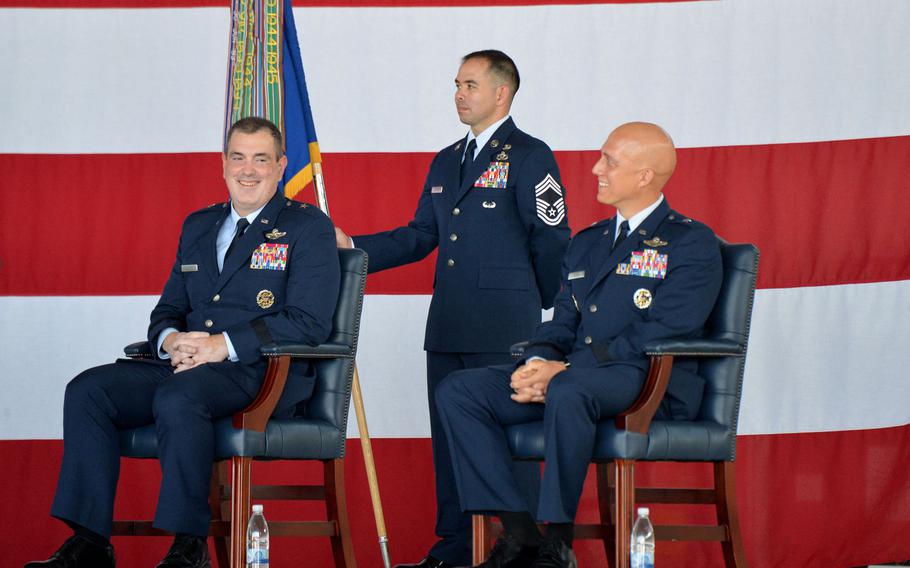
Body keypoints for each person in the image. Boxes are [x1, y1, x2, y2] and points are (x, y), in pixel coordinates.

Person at [26, 117, 341, 568]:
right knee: (88, 391)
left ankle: (188, 545)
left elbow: (308, 322)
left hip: (259, 370)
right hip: (185, 365)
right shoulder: (199, 225)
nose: (247, 170)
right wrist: (172, 341)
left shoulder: (306, 227)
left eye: (260, 159)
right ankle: (91, 542)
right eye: (238, 157)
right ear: (223, 163)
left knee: (179, 396)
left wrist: (220, 345)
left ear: (281, 166)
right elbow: (167, 311)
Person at [436, 122, 724, 568]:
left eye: (609, 160)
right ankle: (519, 533)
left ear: (645, 175)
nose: (595, 169)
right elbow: (564, 324)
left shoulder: (690, 242)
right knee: (461, 390)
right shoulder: (587, 244)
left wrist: (565, 373)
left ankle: (558, 540)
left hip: (645, 380)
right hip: (574, 378)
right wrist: (537, 361)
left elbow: (665, 329)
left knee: (570, 391)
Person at [335, 50, 570, 568]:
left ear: (501, 93)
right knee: (450, 443)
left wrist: (547, 311)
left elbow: (551, 237)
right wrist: (350, 245)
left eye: (470, 84)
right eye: (456, 84)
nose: (459, 94)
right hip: (448, 324)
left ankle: (524, 549)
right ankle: (457, 548)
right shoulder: (447, 160)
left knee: (511, 442)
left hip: (507, 325)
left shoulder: (531, 156)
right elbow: (422, 236)